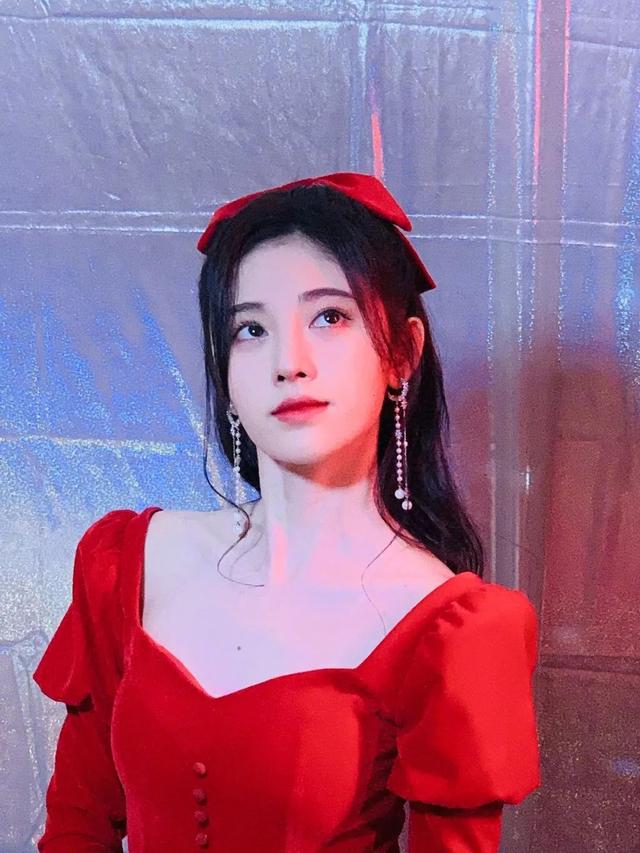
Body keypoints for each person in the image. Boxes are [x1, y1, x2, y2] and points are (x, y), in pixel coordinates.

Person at [32, 172, 541, 851]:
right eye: (250, 329)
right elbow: (76, 824)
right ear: (223, 369)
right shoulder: (130, 562)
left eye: (329, 317)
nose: (288, 363)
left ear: (401, 353)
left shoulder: (447, 629)